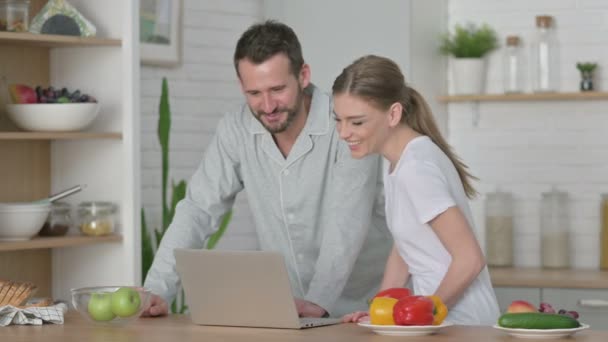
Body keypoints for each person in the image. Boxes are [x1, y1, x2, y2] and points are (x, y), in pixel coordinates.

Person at [142, 21, 392, 318]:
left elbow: (347, 223)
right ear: (241, 86)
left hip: (368, 310)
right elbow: (198, 210)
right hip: (293, 312)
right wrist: (156, 289)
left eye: (277, 89)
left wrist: (319, 301)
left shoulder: (346, 123)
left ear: (303, 75)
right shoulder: (235, 129)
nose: (268, 105)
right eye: (255, 93)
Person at [333, 55, 500, 325]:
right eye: (338, 120)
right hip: (440, 322)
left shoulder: (416, 168)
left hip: (463, 324)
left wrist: (427, 310)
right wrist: (380, 310)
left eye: (356, 122)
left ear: (394, 114)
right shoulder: (397, 160)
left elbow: (470, 259)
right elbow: (406, 246)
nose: (343, 132)